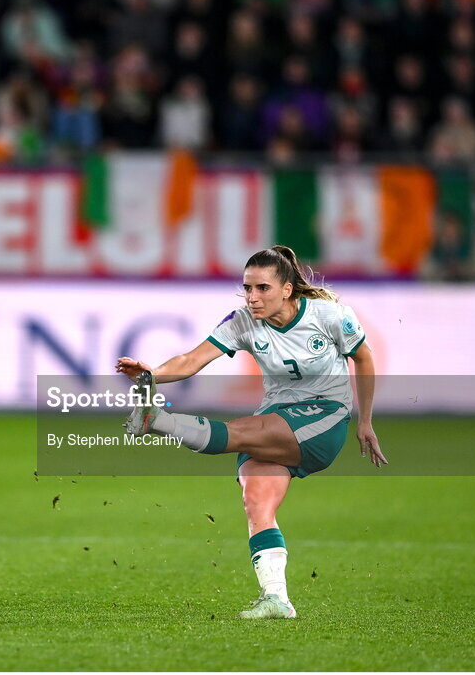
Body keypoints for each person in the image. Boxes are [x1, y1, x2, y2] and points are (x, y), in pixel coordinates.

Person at [115, 245, 386, 620]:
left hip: (326, 416)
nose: (253, 297)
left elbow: (364, 357)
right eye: (247, 288)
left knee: (241, 432)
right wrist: (151, 374)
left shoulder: (329, 316)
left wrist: (365, 421)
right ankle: (277, 599)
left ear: (287, 290)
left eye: (263, 288)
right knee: (257, 500)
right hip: (278, 415)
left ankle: (158, 422)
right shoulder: (243, 321)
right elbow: (192, 359)